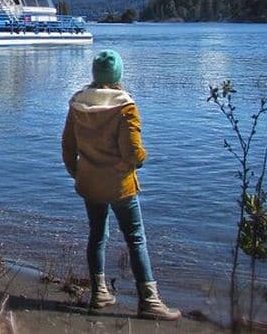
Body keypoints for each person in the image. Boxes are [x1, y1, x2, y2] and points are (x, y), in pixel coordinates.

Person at [61, 49, 181, 321]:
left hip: (90, 185)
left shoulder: (78, 104)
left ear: (94, 75)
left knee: (97, 235)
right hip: (120, 186)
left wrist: (79, 174)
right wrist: (142, 159)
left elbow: (68, 148)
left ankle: (98, 294)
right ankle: (149, 301)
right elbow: (133, 154)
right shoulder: (125, 107)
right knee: (136, 239)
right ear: (118, 76)